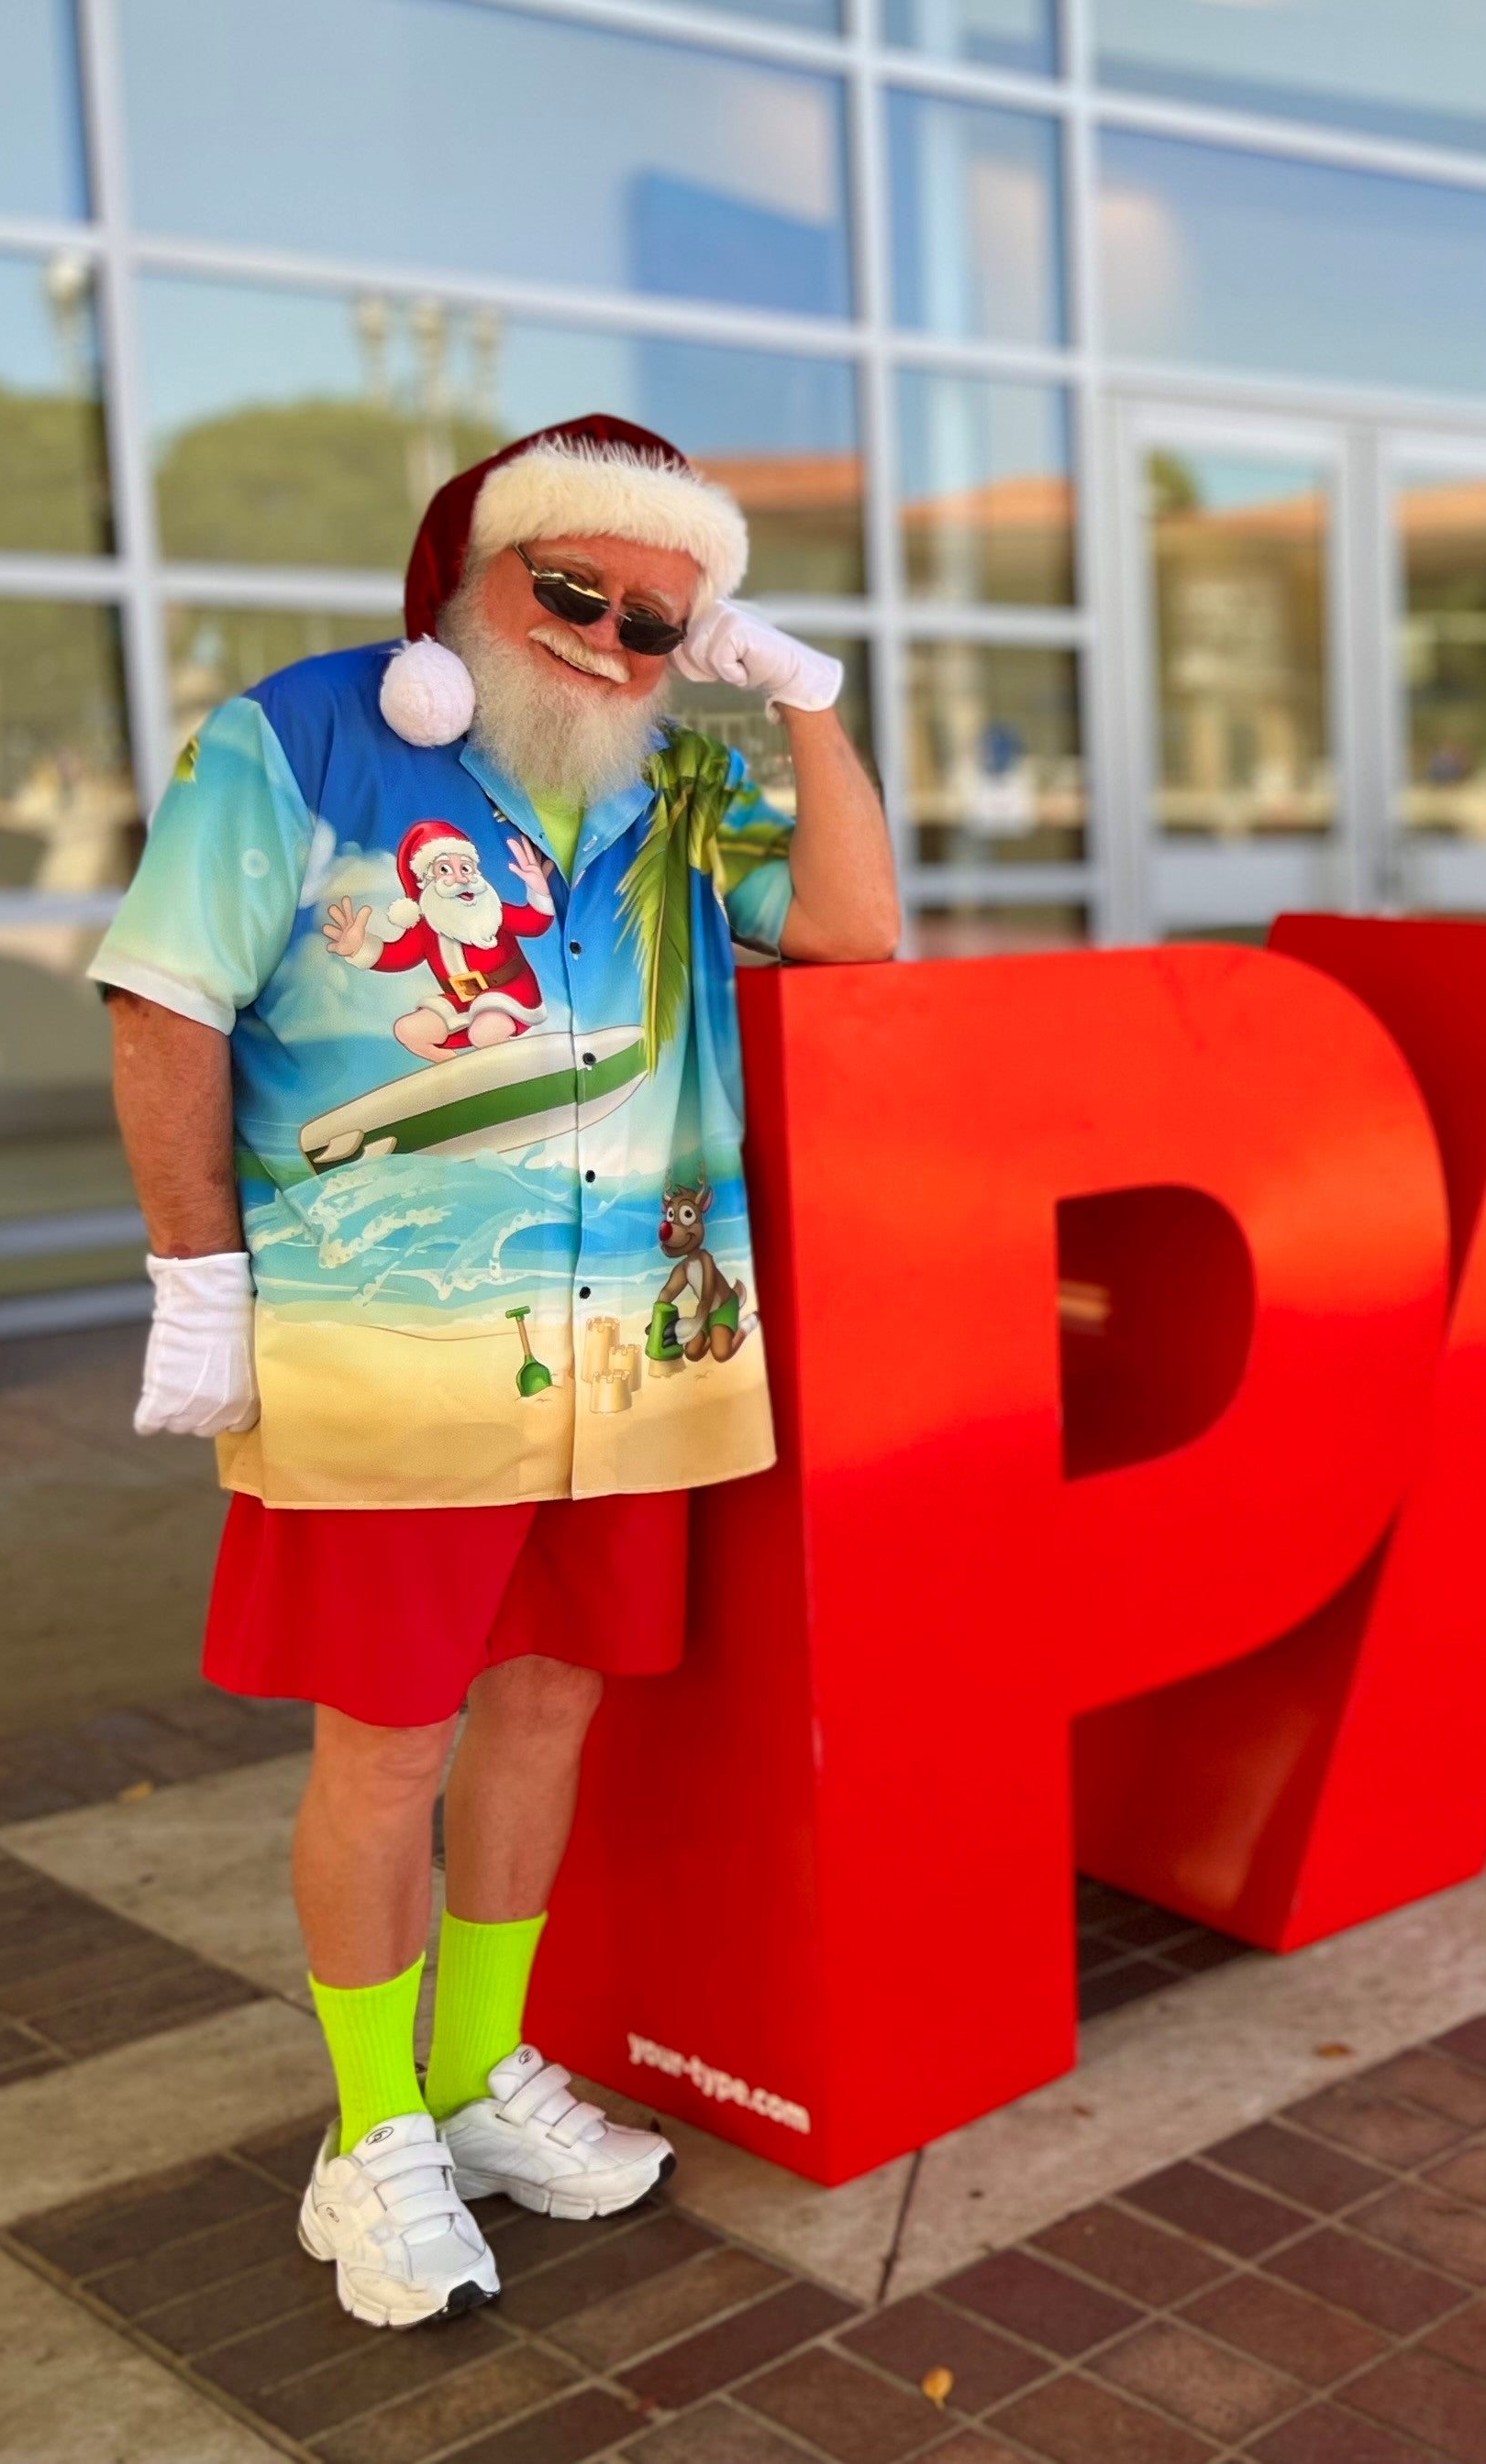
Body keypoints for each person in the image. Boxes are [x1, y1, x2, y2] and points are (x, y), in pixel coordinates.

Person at [90, 416, 901, 2329]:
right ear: (473, 575)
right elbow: (164, 997)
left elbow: (856, 927)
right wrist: (195, 1276)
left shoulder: (681, 788)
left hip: (629, 1361)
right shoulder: (295, 739)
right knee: (391, 1748)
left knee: (546, 1720)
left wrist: (805, 704)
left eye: (663, 620)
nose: (617, 641)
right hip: (388, 1362)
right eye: (580, 592)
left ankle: (478, 2077)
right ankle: (372, 2134)